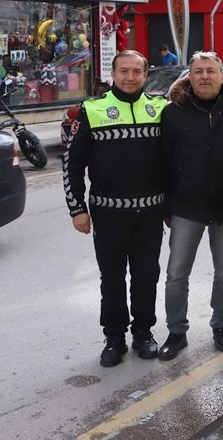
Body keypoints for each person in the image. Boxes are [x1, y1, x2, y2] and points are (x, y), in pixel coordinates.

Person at [64, 50, 168, 367]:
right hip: (108, 215)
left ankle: (143, 333)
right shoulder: (92, 111)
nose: (130, 77)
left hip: (151, 214)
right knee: (112, 280)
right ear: (114, 73)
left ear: (145, 74)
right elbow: (72, 163)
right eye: (124, 71)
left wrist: (172, 205)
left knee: (146, 276)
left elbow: (175, 162)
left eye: (136, 71)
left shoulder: (160, 109)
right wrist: (76, 208)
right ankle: (114, 338)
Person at [158, 51, 223, 361]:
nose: (205, 76)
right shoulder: (172, 114)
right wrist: (165, 207)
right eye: (199, 71)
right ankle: (176, 332)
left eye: (211, 71)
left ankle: (221, 326)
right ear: (189, 76)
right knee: (175, 275)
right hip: (186, 208)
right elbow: (164, 164)